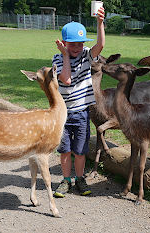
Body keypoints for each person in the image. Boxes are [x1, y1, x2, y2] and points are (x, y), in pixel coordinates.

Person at [52, 7, 105, 197]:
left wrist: (100, 23)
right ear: (64, 43)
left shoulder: (86, 55)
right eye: (73, 45)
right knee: (65, 150)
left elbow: (100, 46)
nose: (77, 48)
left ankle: (80, 179)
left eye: (80, 44)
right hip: (63, 114)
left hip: (82, 112)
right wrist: (66, 56)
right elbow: (65, 79)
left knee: (80, 151)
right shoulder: (57, 58)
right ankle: (66, 180)